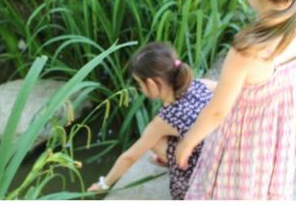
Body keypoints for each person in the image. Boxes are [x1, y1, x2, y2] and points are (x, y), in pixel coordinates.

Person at [178, 0, 296, 199]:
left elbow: (217, 112)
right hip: (275, 143)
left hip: (240, 145)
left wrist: (188, 142)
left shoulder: (246, 50)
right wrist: (290, 110)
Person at [88, 42, 215, 199]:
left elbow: (129, 157)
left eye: (139, 83)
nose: (140, 88)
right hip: (220, 156)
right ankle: (171, 159)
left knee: (152, 140)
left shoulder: (166, 119)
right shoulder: (202, 84)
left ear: (151, 83)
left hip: (204, 178)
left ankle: (178, 167)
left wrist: (104, 184)